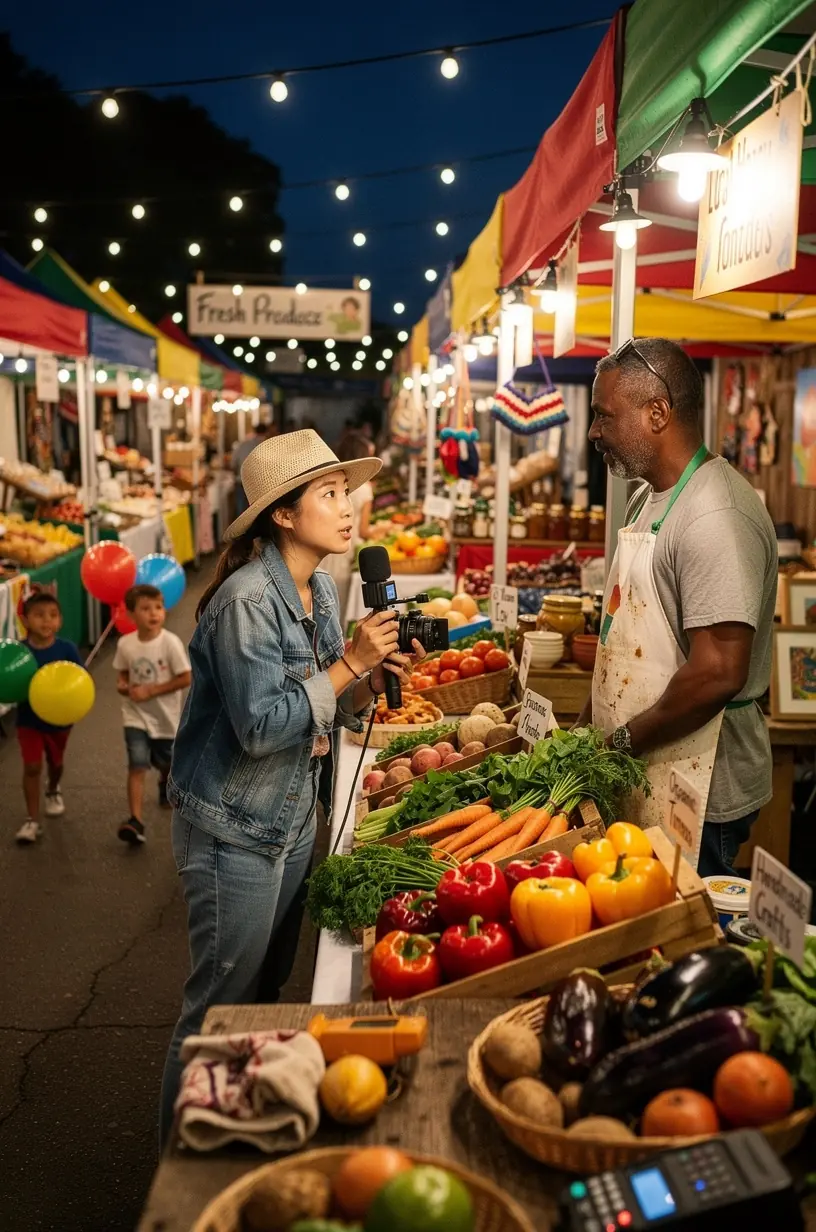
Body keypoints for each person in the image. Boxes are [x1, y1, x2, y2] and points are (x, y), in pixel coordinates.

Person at [159, 429, 422, 1145]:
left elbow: (330, 704)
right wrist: (351, 665)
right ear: (282, 513)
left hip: (294, 816)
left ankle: (240, 1124)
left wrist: (373, 676)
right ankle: (180, 1159)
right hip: (234, 829)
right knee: (217, 1009)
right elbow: (261, 726)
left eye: (347, 492)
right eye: (329, 494)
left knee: (264, 993)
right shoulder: (247, 600)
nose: (348, 508)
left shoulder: (321, 591)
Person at [583, 338, 777, 880]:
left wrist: (620, 742)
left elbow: (718, 673)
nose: (594, 431)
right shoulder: (647, 497)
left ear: (658, 413)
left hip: (701, 785)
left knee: (683, 921)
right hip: (644, 762)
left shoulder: (716, 514)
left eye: (604, 415)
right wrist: (586, 730)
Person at [113, 584, 191, 846]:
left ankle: (163, 780)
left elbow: (185, 677)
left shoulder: (170, 643)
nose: (154, 613)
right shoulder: (126, 644)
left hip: (165, 718)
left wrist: (152, 690)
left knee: (167, 762)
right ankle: (135, 820)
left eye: (158, 607)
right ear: (131, 614)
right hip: (135, 715)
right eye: (145, 608)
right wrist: (123, 685)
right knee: (136, 764)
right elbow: (123, 673)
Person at [15, 592, 84, 844]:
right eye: (39, 615)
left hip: (59, 720)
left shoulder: (67, 649)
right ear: (25, 620)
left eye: (53, 615)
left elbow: (79, 682)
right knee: (32, 766)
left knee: (56, 764)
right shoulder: (20, 652)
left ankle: (53, 788)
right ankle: (32, 820)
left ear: (60, 620)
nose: (47, 621)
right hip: (28, 719)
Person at [320, 431, 375, 621]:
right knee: (337, 603)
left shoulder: (331, 485)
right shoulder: (365, 489)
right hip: (345, 549)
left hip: (326, 549)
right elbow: (364, 530)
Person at [232, 422, 275, 516]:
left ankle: (243, 525)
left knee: (241, 511)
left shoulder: (243, 444)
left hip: (241, 481)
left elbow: (233, 463)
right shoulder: (266, 445)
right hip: (258, 483)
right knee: (257, 511)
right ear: (266, 432)